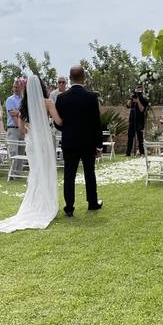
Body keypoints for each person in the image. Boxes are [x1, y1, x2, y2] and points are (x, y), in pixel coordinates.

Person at [0, 73, 59, 232]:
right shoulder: (47, 102)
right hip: (44, 142)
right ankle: (47, 203)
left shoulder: (23, 106)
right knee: (45, 171)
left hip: (31, 143)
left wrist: (31, 132)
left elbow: (21, 129)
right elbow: (59, 121)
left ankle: (36, 203)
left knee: (35, 172)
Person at [55, 65, 103, 215]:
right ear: (84, 77)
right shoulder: (91, 97)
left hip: (69, 142)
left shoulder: (62, 98)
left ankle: (69, 207)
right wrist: (99, 145)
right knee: (90, 172)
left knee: (69, 174)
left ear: (70, 78)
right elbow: (96, 123)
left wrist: (67, 131)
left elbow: (58, 122)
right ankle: (92, 202)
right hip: (87, 143)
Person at [5, 80, 25, 175]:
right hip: (13, 128)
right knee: (13, 151)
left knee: (21, 151)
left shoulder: (25, 99)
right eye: (14, 87)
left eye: (17, 87)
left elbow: (24, 114)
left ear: (22, 87)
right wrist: (18, 113)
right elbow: (13, 116)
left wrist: (18, 112)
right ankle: (12, 173)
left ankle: (18, 173)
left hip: (23, 128)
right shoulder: (10, 99)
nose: (15, 89)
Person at [125, 84, 148, 156]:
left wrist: (138, 101)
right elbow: (128, 106)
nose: (138, 91)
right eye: (137, 89)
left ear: (142, 90)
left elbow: (142, 109)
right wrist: (130, 98)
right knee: (130, 137)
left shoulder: (144, 99)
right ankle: (128, 153)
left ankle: (142, 152)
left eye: (140, 89)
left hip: (140, 121)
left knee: (140, 138)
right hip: (132, 120)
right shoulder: (132, 98)